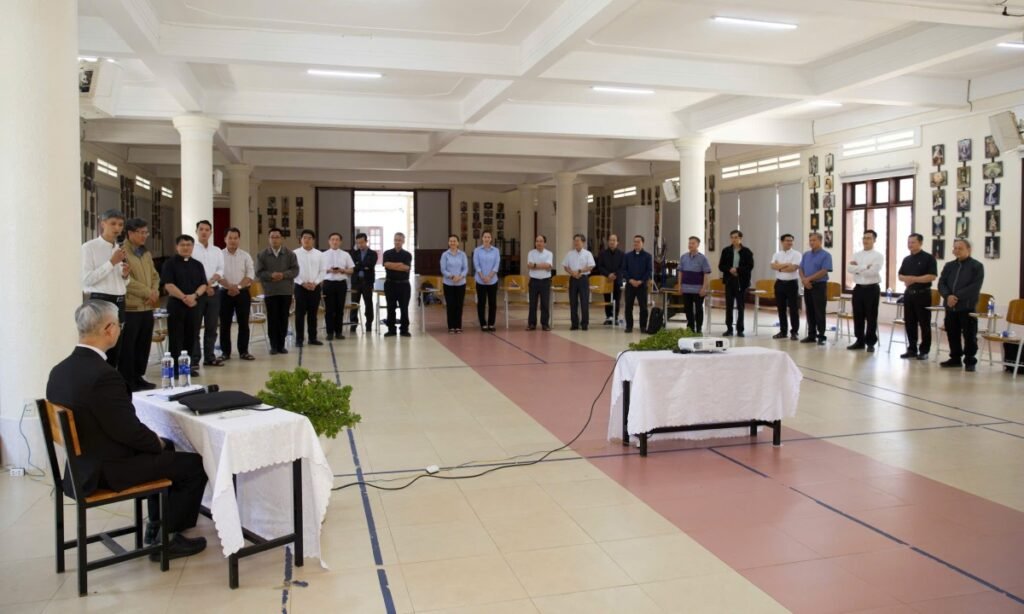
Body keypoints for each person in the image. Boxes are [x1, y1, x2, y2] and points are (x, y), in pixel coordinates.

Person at [47, 300, 208, 559]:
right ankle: (167, 539)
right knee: (194, 464)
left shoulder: (60, 370)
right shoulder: (104, 375)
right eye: (119, 325)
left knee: (165, 449)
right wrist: (156, 442)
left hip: (81, 465)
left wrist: (157, 443)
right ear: (109, 329)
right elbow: (127, 431)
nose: (120, 330)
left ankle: (156, 526)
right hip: (107, 470)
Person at [81, 209, 129, 368]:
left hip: (120, 300)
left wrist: (125, 276)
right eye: (113, 223)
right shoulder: (89, 247)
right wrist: (111, 263)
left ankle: (112, 378)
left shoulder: (119, 248)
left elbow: (121, 282)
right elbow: (87, 279)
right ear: (103, 224)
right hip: (101, 301)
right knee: (102, 347)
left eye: (120, 224)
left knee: (117, 347)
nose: (117, 228)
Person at [119, 218, 160, 391]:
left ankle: (138, 376)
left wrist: (155, 291)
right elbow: (126, 280)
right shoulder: (121, 252)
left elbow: (155, 275)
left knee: (143, 344)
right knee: (129, 346)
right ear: (130, 233)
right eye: (141, 232)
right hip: (132, 307)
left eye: (146, 232)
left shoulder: (146, 253)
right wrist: (148, 293)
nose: (144, 236)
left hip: (147, 307)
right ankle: (127, 380)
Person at [161, 235, 208, 376]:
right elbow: (168, 285)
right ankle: (175, 369)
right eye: (182, 245)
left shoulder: (198, 264)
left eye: (189, 245)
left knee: (191, 336)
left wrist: (194, 296)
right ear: (177, 247)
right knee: (176, 337)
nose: (186, 247)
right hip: (176, 305)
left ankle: (186, 367)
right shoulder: (169, 264)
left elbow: (204, 284)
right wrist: (184, 297)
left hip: (194, 305)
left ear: (192, 247)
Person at [938, 239, 985, 372]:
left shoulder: (977, 266)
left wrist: (956, 297)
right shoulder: (949, 266)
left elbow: (974, 287)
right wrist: (948, 296)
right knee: (952, 333)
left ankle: (970, 360)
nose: (957, 250)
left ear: (968, 250)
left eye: (960, 248)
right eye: (955, 248)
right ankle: (955, 358)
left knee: (970, 335)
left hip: (967, 306)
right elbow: (941, 283)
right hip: (950, 306)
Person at [255, 228, 299, 355]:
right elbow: (259, 272)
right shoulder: (262, 255)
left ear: (282, 239)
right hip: (270, 292)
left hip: (286, 291)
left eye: (277, 237)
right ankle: (273, 345)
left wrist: (283, 275)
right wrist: (271, 275)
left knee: (283, 318)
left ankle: (281, 345)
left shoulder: (290, 254)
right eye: (272, 237)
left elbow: (295, 270)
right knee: (272, 318)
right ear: (269, 239)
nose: (274, 239)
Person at [897, 233, 938, 360]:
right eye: (909, 242)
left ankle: (924, 350)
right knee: (910, 323)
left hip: (923, 294)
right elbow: (900, 276)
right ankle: (912, 349)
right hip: (909, 295)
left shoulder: (929, 258)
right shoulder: (906, 259)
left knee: (924, 323)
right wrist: (908, 279)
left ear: (920, 243)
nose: (910, 245)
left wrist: (913, 279)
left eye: (913, 242)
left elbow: (932, 276)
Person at [191, 220, 225, 367]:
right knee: (195, 326)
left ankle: (209, 357)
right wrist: (205, 286)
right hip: (197, 292)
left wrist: (212, 281)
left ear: (211, 232)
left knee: (212, 326)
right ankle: (194, 359)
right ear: (196, 231)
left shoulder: (217, 250)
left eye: (207, 229)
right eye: (201, 229)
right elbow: (191, 271)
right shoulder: (191, 249)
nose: (204, 232)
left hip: (214, 292)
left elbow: (221, 269)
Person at [219, 227, 255, 361]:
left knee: (243, 323)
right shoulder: (219, 255)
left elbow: (250, 274)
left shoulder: (245, 256)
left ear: (239, 239)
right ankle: (225, 352)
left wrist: (238, 287)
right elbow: (217, 274)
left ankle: (244, 351)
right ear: (225, 239)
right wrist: (229, 287)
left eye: (235, 238)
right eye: (230, 238)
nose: (233, 241)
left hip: (242, 293)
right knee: (225, 324)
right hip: (224, 293)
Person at [846, 230, 884, 352]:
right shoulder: (857, 254)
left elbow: (872, 272)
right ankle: (859, 341)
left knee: (871, 316)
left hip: (872, 289)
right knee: (858, 316)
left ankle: (871, 342)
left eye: (868, 238)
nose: (865, 240)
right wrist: (865, 267)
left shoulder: (878, 256)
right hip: (858, 288)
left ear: (874, 240)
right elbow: (849, 268)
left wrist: (857, 269)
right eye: (864, 238)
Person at [717, 229, 754, 337]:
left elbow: (750, 266)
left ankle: (740, 329)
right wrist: (729, 269)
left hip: (741, 282)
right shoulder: (726, 250)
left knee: (740, 306)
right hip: (729, 281)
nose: (734, 239)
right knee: (729, 306)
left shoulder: (747, 251)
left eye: (736, 237)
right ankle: (729, 328)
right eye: (732, 237)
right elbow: (721, 266)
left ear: (740, 238)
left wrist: (737, 269)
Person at [799, 232, 833, 345]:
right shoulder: (806, 255)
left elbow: (824, 271)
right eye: (810, 240)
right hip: (807, 285)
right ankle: (811, 335)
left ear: (820, 241)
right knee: (810, 311)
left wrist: (808, 279)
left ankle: (821, 336)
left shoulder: (826, 255)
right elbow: (801, 269)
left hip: (819, 286)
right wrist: (804, 280)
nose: (811, 242)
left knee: (819, 311)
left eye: (814, 240)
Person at [293, 229, 324, 347]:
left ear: (313, 240)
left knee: (313, 314)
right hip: (300, 287)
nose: (307, 240)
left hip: (315, 287)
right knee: (299, 314)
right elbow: (293, 271)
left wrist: (315, 283)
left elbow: (323, 271)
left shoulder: (319, 254)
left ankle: (312, 338)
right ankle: (299, 339)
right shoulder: (294, 253)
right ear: (300, 240)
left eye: (309, 238)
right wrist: (302, 283)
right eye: (304, 237)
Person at [323, 232, 355, 341]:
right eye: (332, 239)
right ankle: (329, 332)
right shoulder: (323, 255)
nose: (335, 242)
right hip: (328, 283)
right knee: (329, 309)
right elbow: (319, 270)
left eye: (337, 240)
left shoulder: (346, 254)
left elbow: (351, 270)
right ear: (329, 241)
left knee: (340, 309)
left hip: (341, 284)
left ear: (340, 242)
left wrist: (343, 270)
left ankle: (339, 332)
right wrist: (329, 270)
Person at [770, 234, 802, 340]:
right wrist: (786, 265)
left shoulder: (797, 254)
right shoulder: (777, 254)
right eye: (787, 240)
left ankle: (794, 332)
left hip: (792, 284)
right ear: (782, 242)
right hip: (779, 283)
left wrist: (779, 267)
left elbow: (793, 268)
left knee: (793, 308)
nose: (790, 242)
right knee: (781, 308)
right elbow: (772, 266)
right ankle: (783, 331)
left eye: (791, 241)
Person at [676, 236, 711, 333]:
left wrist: (704, 288)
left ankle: (699, 328)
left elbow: (706, 274)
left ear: (698, 245)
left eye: (693, 243)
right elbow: (680, 272)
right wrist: (679, 285)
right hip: (686, 288)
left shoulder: (703, 258)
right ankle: (690, 327)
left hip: (698, 289)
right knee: (688, 309)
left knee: (699, 309)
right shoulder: (683, 257)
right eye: (689, 243)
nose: (690, 245)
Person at [562, 233, 596, 331]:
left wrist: (580, 271)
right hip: (573, 279)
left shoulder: (588, 254)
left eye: (578, 240)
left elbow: (591, 266)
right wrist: (572, 273)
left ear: (583, 242)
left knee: (584, 302)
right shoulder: (570, 253)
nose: (576, 242)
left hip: (583, 279)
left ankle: (584, 324)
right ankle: (574, 324)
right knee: (573, 302)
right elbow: (565, 266)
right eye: (575, 241)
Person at [620, 235, 652, 333]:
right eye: (634, 242)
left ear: (642, 243)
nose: (636, 243)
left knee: (643, 307)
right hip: (630, 285)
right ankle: (629, 326)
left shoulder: (647, 256)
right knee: (628, 306)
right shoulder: (627, 256)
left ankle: (643, 326)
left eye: (638, 242)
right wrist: (630, 280)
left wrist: (641, 281)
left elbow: (649, 271)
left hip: (642, 285)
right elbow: (624, 270)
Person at [382, 232, 413, 337]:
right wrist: (399, 264)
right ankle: (391, 329)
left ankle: (404, 329)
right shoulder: (387, 253)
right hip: (390, 284)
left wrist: (393, 265)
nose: (397, 242)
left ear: (403, 241)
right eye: (395, 240)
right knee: (390, 307)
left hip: (404, 285)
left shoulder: (407, 254)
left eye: (399, 240)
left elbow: (406, 268)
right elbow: (386, 265)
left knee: (404, 307)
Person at [349, 233, 378, 333]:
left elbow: (370, 264)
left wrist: (358, 265)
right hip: (355, 282)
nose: (360, 245)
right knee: (354, 303)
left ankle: (368, 323)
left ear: (366, 241)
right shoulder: (354, 253)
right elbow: (353, 266)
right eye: (358, 243)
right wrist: (364, 267)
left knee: (368, 303)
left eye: (361, 242)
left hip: (367, 282)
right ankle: (353, 323)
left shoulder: (373, 253)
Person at [440, 235, 468, 333]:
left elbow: (465, 268)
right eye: (451, 241)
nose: (452, 243)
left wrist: (460, 277)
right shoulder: (445, 255)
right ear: (448, 243)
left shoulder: (462, 254)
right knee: (450, 305)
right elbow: (443, 269)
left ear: (458, 243)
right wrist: (452, 277)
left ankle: (458, 326)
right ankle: (451, 326)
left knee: (459, 305)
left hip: (461, 283)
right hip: (448, 284)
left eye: (454, 241)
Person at [473, 230, 501, 331]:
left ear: (491, 239)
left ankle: (491, 323)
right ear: (482, 238)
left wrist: (489, 277)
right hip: (480, 280)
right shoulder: (477, 250)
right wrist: (482, 276)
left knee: (492, 303)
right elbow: (476, 264)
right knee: (481, 302)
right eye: (485, 237)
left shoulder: (496, 251)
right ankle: (483, 323)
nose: (486, 239)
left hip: (492, 280)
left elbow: (496, 265)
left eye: (488, 237)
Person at [526, 234, 553, 331]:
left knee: (545, 304)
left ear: (545, 243)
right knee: (532, 304)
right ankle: (532, 323)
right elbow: (529, 266)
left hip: (545, 281)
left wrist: (535, 265)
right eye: (537, 241)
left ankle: (545, 324)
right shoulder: (531, 253)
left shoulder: (549, 253)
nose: (539, 243)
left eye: (541, 241)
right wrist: (542, 265)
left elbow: (548, 266)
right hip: (534, 281)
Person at [596, 234, 624, 326]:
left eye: (614, 240)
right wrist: (608, 274)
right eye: (610, 240)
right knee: (607, 299)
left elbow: (622, 267)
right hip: (606, 279)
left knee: (617, 299)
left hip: (617, 279)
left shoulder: (622, 254)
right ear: (608, 242)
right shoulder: (602, 253)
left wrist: (615, 274)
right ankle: (608, 317)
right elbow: (600, 266)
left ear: (617, 242)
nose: (612, 242)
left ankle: (615, 318)